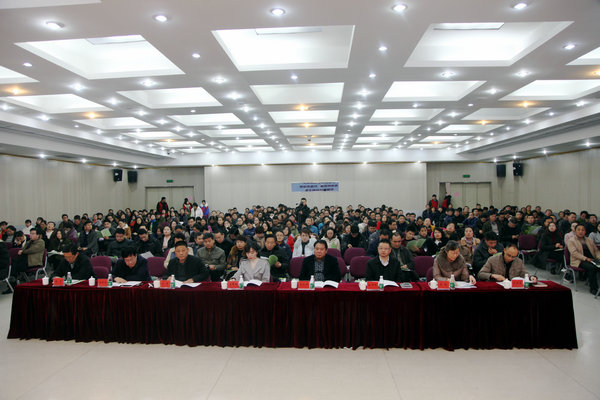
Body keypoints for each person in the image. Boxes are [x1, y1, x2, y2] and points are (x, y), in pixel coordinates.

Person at [567, 224, 600, 295]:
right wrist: (586, 258)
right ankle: (593, 288)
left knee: (597, 266)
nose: (581, 231)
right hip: (579, 260)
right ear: (575, 231)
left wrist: (598, 256)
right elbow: (574, 253)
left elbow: (596, 250)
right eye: (579, 230)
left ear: (585, 231)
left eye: (583, 230)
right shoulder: (571, 240)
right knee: (592, 268)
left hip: (592, 259)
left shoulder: (589, 240)